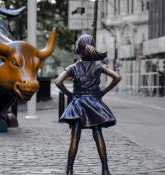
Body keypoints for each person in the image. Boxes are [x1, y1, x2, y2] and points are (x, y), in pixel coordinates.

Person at [55, 34, 121, 175]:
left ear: (78, 51)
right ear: (92, 48)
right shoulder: (99, 65)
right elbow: (117, 77)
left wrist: (69, 94)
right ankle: (105, 169)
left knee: (75, 137)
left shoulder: (73, 67)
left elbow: (58, 82)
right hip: (94, 104)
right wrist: (103, 92)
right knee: (98, 134)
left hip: (78, 104)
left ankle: (69, 170)